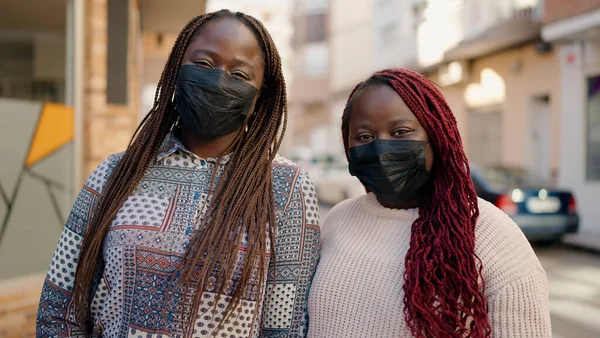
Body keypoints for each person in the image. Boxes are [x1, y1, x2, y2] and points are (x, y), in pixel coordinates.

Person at [37, 10, 320, 338]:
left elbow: (284, 328)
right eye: (203, 64)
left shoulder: (285, 188)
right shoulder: (115, 174)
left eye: (239, 74)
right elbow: (60, 309)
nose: (218, 80)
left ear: (259, 98)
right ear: (175, 71)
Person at [307, 69, 550, 338]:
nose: (382, 148)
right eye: (364, 137)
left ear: (436, 137)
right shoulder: (338, 220)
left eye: (401, 131)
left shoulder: (490, 234)